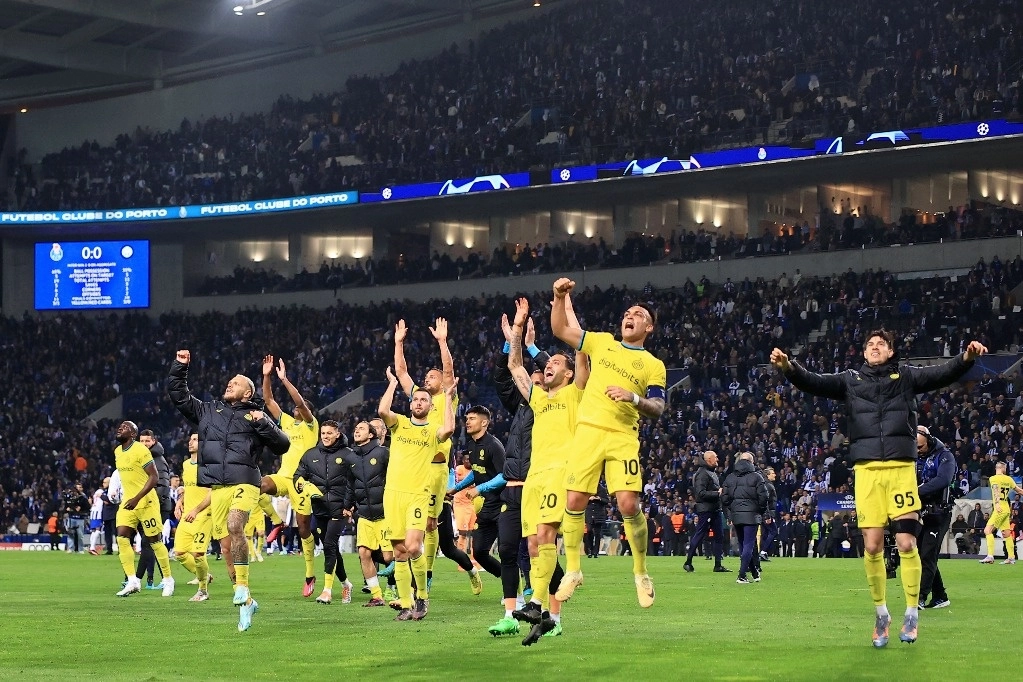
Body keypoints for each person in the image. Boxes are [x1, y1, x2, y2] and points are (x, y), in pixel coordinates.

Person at [771, 329, 985, 647]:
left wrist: (966, 357)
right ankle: (882, 614)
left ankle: (911, 613)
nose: (874, 347)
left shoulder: (906, 377)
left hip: (901, 470)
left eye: (880, 344)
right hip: (867, 472)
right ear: (864, 352)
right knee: (872, 547)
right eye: (870, 344)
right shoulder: (851, 380)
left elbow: (941, 373)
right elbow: (814, 382)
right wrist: (789, 367)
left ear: (890, 351)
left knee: (907, 542)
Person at [549, 277, 666, 608]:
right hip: (588, 430)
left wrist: (633, 397)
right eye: (628, 312)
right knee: (574, 501)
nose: (630, 316)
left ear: (649, 327)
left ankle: (641, 573)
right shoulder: (602, 343)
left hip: (622, 436)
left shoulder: (653, 365)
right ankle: (574, 570)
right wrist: (559, 297)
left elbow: (658, 407)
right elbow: (560, 329)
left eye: (639, 314)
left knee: (628, 504)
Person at [168, 349, 290, 632]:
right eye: (229, 382)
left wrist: (263, 422)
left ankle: (243, 587)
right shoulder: (209, 411)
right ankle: (246, 601)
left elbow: (282, 445)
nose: (229, 384)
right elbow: (179, 396)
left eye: (235, 383)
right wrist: (180, 367)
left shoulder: (255, 415)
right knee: (226, 548)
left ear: (247, 393)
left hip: (245, 480)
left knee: (236, 525)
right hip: (218, 486)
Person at [504, 297, 588, 644]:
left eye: (555, 363)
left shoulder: (576, 393)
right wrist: (518, 328)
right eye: (547, 362)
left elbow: (581, 349)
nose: (548, 366)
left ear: (568, 373)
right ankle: (547, 617)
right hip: (534, 477)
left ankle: (537, 604)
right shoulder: (539, 398)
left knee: (545, 535)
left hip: (559, 472)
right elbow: (514, 366)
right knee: (534, 545)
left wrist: (564, 304)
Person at [486, 306, 553, 638]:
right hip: (512, 488)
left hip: (537, 485)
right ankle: (510, 614)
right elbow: (503, 376)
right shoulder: (520, 406)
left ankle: (551, 615)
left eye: (538, 381)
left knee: (540, 553)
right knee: (508, 551)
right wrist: (510, 342)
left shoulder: (553, 406)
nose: (532, 386)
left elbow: (555, 370)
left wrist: (529, 346)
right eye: (530, 382)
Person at [378, 366, 456, 621]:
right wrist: (392, 384)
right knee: (399, 551)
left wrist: (448, 399)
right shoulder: (399, 424)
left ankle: (422, 595)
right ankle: (406, 603)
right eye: (416, 399)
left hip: (418, 495)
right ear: (411, 404)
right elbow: (382, 411)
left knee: (413, 546)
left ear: (431, 407)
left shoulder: (433, 430)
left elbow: (449, 429)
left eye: (424, 400)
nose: (419, 402)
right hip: (393, 494)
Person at [394, 317, 466, 591]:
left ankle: (429, 570)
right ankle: (406, 568)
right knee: (410, 526)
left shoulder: (446, 398)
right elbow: (402, 373)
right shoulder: (420, 398)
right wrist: (398, 344)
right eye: (426, 377)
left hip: (436, 469)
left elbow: (448, 371)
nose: (427, 379)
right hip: (415, 469)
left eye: (431, 377)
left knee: (431, 523)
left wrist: (442, 342)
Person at [258, 356, 320, 597]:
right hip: (284, 477)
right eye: (294, 408)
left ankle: (309, 573)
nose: (295, 409)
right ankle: (277, 521)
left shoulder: (311, 425)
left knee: (304, 530)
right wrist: (267, 376)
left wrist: (284, 380)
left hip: (302, 482)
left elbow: (301, 403)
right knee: (257, 485)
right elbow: (268, 400)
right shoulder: (287, 422)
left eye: (299, 408)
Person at [112, 421, 175, 598]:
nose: (120, 428)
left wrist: (137, 498)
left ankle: (168, 580)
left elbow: (154, 477)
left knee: (154, 542)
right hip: (128, 502)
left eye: (125, 427)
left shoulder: (140, 450)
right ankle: (133, 581)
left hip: (146, 502)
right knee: (122, 538)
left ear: (133, 434)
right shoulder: (117, 452)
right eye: (120, 427)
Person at [294, 419, 354, 604]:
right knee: (331, 548)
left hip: (339, 509)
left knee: (329, 544)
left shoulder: (348, 454)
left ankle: (327, 590)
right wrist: (301, 484)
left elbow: (355, 481)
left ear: (337, 434)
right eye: (323, 433)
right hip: (319, 509)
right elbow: (298, 476)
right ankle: (346, 584)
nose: (325, 436)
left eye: (329, 433)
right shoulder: (310, 454)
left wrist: (351, 505)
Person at [448, 406, 507, 583]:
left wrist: (480, 488)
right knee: (479, 552)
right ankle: (509, 579)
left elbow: (504, 476)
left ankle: (515, 590)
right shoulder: (472, 445)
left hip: (502, 505)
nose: (467, 421)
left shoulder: (494, 445)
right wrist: (456, 488)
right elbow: (477, 471)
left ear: (484, 422)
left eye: (472, 418)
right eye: (467, 418)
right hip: (485, 507)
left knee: (506, 551)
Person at [342, 420, 392, 607]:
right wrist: (347, 505)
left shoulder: (383, 453)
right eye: (356, 429)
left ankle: (407, 584)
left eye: (361, 429)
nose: (357, 431)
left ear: (371, 435)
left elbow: (395, 477)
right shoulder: (351, 458)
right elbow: (350, 484)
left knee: (388, 557)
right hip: (364, 513)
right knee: (364, 552)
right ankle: (377, 596)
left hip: (385, 513)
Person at [915, 426, 954, 609]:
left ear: (929, 442)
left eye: (920, 447)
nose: (918, 451)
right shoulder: (914, 457)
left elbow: (943, 480)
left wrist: (916, 491)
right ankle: (940, 596)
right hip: (921, 510)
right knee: (924, 554)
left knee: (927, 554)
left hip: (939, 513)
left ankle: (920, 597)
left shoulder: (945, 456)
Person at [174, 433, 213, 602]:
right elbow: (190, 488)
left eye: (195, 439)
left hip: (204, 514)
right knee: (180, 553)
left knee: (198, 553)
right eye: (190, 439)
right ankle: (204, 575)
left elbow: (212, 492)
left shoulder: (209, 465)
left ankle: (203, 590)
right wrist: (180, 501)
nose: (191, 442)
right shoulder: (186, 464)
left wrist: (196, 510)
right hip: (187, 514)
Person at [722, 452, 769, 584]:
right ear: (751, 462)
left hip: (736, 515)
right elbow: (764, 497)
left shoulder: (730, 477)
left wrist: (731, 511)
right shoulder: (756, 477)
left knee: (743, 544)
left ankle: (754, 572)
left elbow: (724, 498)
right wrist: (760, 510)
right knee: (749, 544)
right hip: (752, 515)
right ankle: (742, 575)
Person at [683, 451, 729, 573]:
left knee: (719, 536)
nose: (717, 459)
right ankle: (688, 562)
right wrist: (717, 493)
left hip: (714, 509)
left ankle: (718, 564)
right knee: (700, 534)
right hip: (706, 510)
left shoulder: (710, 472)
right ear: (709, 459)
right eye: (715, 457)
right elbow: (700, 494)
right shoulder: (702, 474)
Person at [980, 462, 1023, 565]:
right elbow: (1019, 491)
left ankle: (990, 556)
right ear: (1003, 468)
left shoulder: (993, 478)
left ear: (996, 468)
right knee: (1006, 534)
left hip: (999, 509)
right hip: (1007, 509)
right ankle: (1011, 557)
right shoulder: (1009, 479)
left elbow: (995, 491)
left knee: (987, 530)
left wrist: (997, 504)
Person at [63, 483, 89, 554]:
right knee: (70, 534)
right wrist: (69, 509)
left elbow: (87, 508)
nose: (78, 489)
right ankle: (70, 548)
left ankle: (80, 549)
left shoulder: (83, 498)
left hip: (80, 518)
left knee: (80, 534)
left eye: (80, 487)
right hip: (71, 517)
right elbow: (66, 507)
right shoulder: (70, 497)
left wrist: (81, 511)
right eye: (77, 488)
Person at [759, 467, 778, 561]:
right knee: (774, 531)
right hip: (767, 513)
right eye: (772, 473)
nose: (775, 475)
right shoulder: (768, 486)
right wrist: (767, 515)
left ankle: (762, 553)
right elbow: (765, 501)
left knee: (765, 534)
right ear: (767, 475)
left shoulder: (765, 484)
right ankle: (763, 552)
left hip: (764, 513)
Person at [88, 480, 107, 555]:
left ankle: (91, 547)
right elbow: (105, 501)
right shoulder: (101, 492)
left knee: (93, 530)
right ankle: (92, 548)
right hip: (98, 512)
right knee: (98, 529)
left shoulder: (96, 492)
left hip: (93, 511)